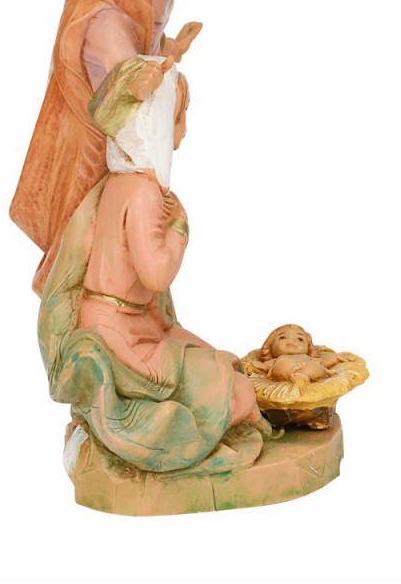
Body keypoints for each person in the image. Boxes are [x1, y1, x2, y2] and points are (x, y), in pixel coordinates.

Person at [10, 0, 252, 294]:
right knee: (84, 214)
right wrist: (136, 75)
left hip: (120, 100)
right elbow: (102, 26)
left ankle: (111, 303)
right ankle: (81, 307)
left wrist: (166, 50)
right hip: (95, 106)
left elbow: (138, 24)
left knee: (110, 220)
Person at [37, 56, 269, 474]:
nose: (183, 129)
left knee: (223, 361)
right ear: (156, 120)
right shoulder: (143, 192)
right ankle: (163, 430)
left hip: (129, 323)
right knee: (234, 391)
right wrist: (179, 229)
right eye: (178, 116)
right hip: (121, 337)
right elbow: (156, 274)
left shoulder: (117, 183)